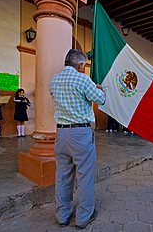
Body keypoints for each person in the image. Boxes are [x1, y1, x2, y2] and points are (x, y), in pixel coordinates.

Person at [50, 49, 105, 229]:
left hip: (61, 134)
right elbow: (100, 99)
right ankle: (83, 217)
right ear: (81, 65)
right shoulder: (83, 79)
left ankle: (62, 216)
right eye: (84, 65)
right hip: (81, 134)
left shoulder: (54, 79)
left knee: (63, 176)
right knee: (84, 177)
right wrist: (99, 89)